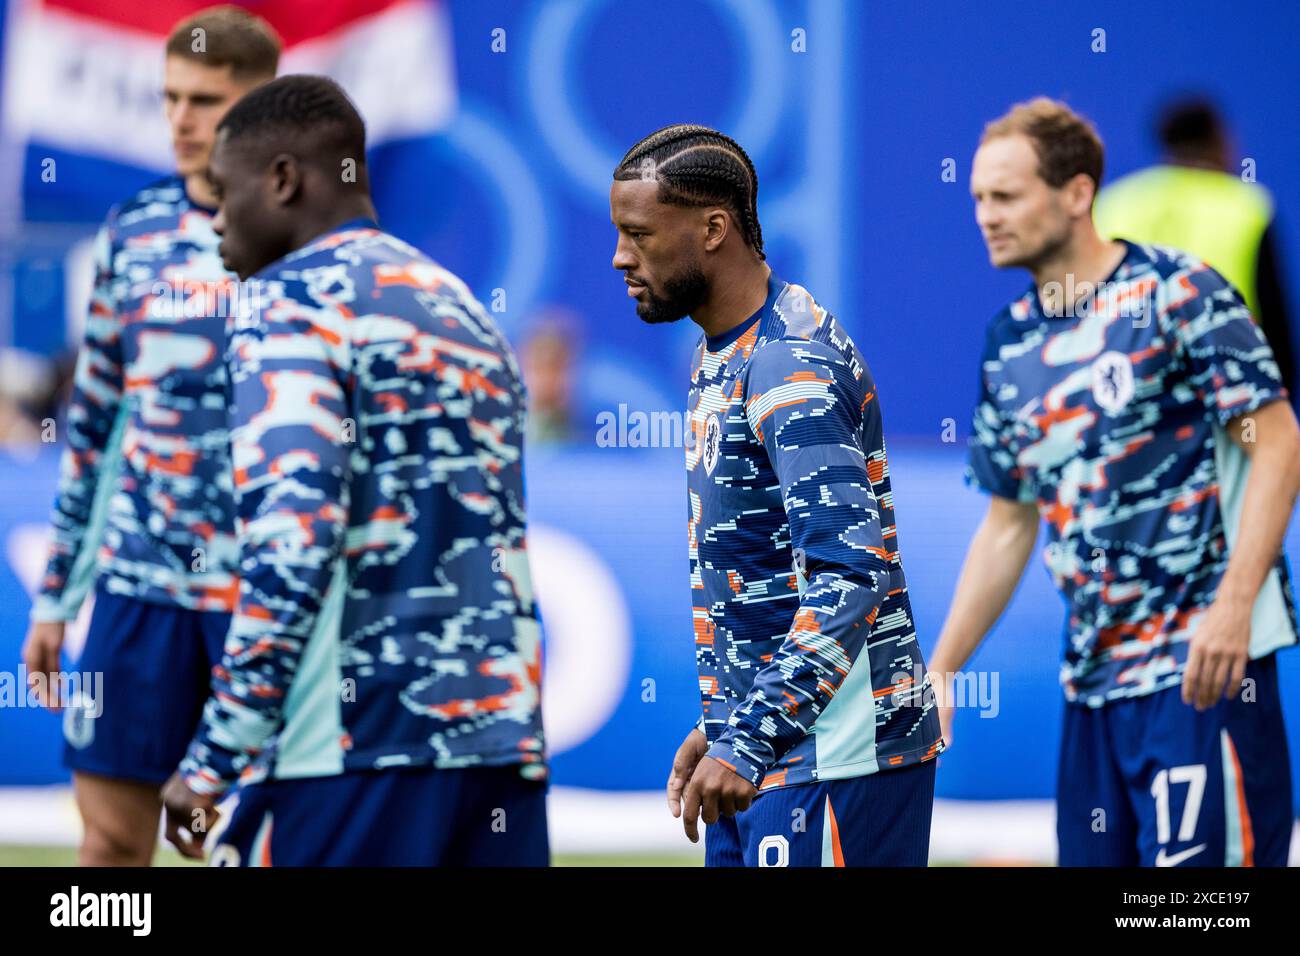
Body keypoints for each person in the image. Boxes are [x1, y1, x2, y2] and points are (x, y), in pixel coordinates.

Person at [160, 75, 547, 866]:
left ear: (282, 180)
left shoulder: (284, 305)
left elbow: (293, 547)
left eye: (224, 194)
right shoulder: (464, 310)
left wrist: (211, 763)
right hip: (500, 748)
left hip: (347, 750)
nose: (216, 223)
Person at [931, 97, 1300, 866]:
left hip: (1204, 675)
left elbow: (1277, 441)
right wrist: (942, 670)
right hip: (1093, 685)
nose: (985, 216)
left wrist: (1233, 609)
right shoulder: (1009, 343)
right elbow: (1008, 524)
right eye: (976, 200)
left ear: (1076, 193)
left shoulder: (1180, 293)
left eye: (1006, 196)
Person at [611, 124, 943, 867]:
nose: (620, 257)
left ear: (713, 229)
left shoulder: (790, 367)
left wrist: (753, 732)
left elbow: (850, 577)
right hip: (770, 751)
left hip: (839, 758)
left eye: (638, 234)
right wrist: (728, 719)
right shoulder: (721, 351)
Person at [21, 6, 280, 866]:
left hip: (268, 601)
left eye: (204, 99)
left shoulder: (312, 240)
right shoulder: (131, 233)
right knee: (109, 848)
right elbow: (90, 426)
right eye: (169, 97)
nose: (180, 119)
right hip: (138, 593)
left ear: (265, 105)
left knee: (261, 850)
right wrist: (60, 594)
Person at [1094, 97, 1297, 402]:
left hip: (1129, 398)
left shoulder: (1113, 204)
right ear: (1219, 139)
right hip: (1228, 394)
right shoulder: (1246, 206)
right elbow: (1276, 323)